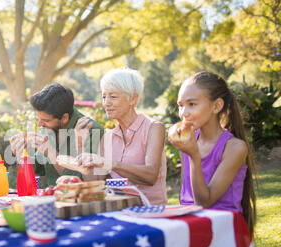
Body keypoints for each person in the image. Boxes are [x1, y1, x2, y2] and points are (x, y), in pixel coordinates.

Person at [169, 71, 257, 235]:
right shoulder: (188, 141)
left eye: (192, 104)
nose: (184, 113)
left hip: (223, 230)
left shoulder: (235, 148)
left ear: (216, 106)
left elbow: (204, 203)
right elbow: (187, 197)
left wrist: (194, 156)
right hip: (192, 224)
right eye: (180, 105)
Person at [76, 68, 167, 205]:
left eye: (113, 96)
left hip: (151, 211)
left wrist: (110, 164)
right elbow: (95, 182)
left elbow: (151, 175)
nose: (106, 103)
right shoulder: (107, 137)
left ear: (133, 99)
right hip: (120, 211)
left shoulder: (153, 128)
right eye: (104, 96)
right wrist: (80, 146)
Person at [10, 83, 104, 186]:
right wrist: (24, 156)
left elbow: (80, 179)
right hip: (52, 196)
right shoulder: (49, 127)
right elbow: (39, 169)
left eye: (45, 120)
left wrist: (51, 152)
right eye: (39, 119)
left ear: (64, 118)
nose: (39, 124)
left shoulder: (91, 131)